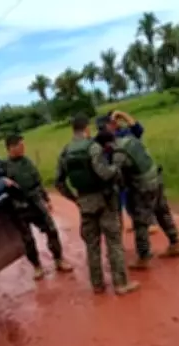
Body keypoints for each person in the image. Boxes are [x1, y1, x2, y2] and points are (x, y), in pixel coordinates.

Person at [55, 114, 139, 295]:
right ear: (86, 129)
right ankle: (120, 283)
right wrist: (116, 167)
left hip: (84, 203)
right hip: (104, 200)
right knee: (113, 242)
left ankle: (97, 284)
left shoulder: (66, 151)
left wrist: (74, 198)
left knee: (92, 245)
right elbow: (104, 174)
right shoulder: (93, 148)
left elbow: (59, 183)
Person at [104, 129, 179, 269]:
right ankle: (175, 242)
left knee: (140, 221)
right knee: (162, 212)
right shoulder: (130, 140)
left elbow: (115, 175)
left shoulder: (118, 153)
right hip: (156, 178)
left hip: (143, 186)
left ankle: (143, 256)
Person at [0, 134, 74, 280]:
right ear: (11, 148)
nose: (24, 148)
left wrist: (46, 199)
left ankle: (59, 259)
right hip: (18, 207)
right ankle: (37, 266)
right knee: (28, 239)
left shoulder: (27, 162)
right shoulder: (3, 166)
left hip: (35, 203)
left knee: (51, 230)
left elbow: (38, 181)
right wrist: (2, 180)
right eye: (21, 146)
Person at [97, 111, 159, 235]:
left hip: (132, 173)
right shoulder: (102, 139)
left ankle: (150, 223)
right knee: (125, 202)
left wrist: (122, 114)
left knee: (140, 200)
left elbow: (138, 129)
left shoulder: (124, 134)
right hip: (118, 176)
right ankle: (135, 223)